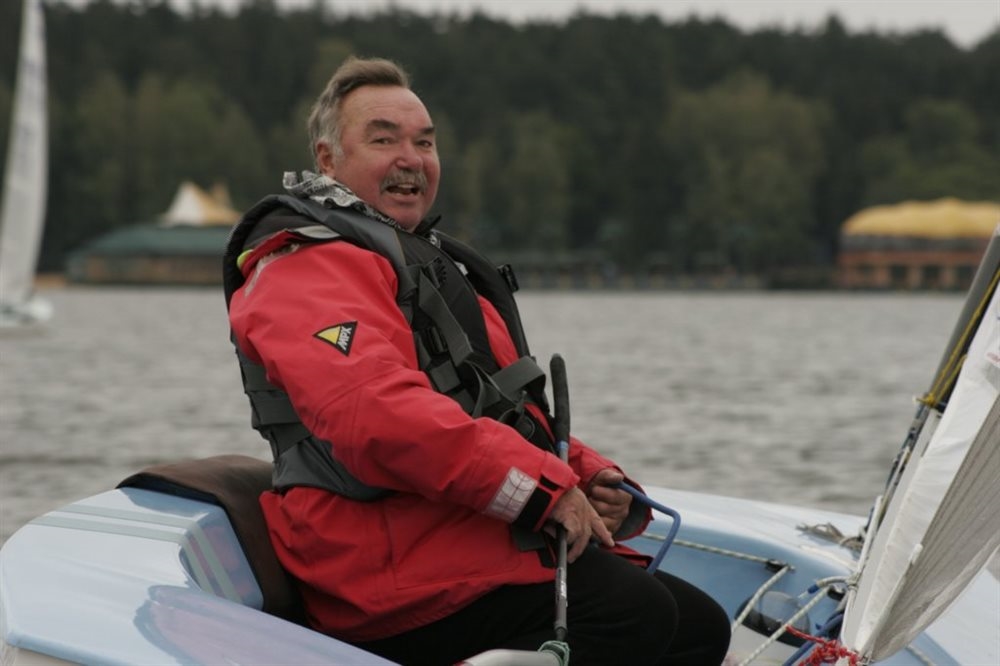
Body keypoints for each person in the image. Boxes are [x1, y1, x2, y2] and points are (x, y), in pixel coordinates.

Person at [224, 56, 730, 666]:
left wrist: (592, 479)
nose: (411, 159)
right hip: (374, 564)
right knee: (634, 615)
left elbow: (501, 410)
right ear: (327, 160)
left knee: (699, 627)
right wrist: (539, 490)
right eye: (383, 140)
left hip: (447, 529)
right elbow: (374, 416)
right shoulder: (304, 267)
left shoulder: (415, 265)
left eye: (424, 142)